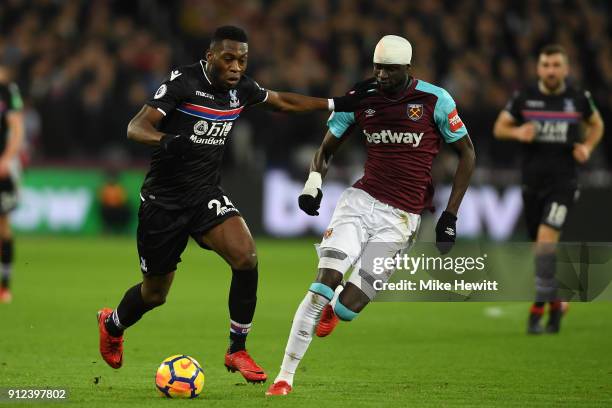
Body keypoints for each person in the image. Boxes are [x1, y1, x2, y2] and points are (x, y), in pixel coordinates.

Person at [96, 25, 374, 383]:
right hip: (163, 202)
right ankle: (113, 324)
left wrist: (337, 104)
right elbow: (136, 127)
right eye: (228, 58)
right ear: (210, 56)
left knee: (247, 258)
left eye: (242, 60)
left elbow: (283, 102)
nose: (236, 67)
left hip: (205, 195)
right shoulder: (183, 83)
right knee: (154, 293)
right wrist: (166, 141)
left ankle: (236, 349)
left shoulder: (241, 89)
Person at [266, 35, 475, 396]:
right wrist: (313, 182)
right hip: (360, 203)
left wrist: (450, 215)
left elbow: (467, 155)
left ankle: (336, 308)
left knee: (348, 308)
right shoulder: (360, 99)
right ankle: (284, 377)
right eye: (377, 67)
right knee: (322, 283)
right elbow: (326, 149)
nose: (381, 74)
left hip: (402, 219)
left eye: (390, 69)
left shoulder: (435, 100)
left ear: (408, 69)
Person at [493, 44, 604, 334]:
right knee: (540, 249)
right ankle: (556, 304)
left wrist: (587, 147)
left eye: (556, 65)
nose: (551, 70)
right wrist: (518, 131)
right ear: (539, 68)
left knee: (545, 240)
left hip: (563, 182)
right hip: (532, 185)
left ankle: (537, 311)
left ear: (565, 69)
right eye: (546, 65)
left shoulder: (578, 98)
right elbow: (499, 127)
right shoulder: (525, 98)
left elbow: (597, 125)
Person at [0, 64, 24, 304]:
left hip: (2, 168)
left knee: (3, 227)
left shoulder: (7, 91)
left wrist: (7, 159)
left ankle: (4, 285)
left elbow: (17, 128)